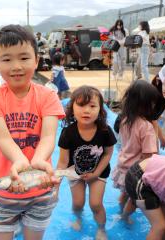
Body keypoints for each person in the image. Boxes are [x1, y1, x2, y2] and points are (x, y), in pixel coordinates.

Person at [0, 25, 65, 240]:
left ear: (36, 60)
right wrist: (21, 162)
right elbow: (3, 138)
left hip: (41, 190)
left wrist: (37, 161)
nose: (16, 66)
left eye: (24, 58)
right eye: (7, 59)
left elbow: (48, 136)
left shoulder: (48, 97)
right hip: (5, 193)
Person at [57, 86, 116, 239]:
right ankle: (78, 218)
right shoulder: (68, 133)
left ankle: (101, 228)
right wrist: (55, 186)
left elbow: (108, 153)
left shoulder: (105, 131)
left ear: (101, 110)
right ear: (72, 109)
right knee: (78, 203)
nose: (86, 110)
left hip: (98, 172)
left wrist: (95, 174)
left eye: (92, 106)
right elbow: (63, 162)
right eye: (81, 105)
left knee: (95, 204)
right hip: (74, 173)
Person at [112, 80, 159, 222]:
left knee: (125, 195)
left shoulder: (125, 120)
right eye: (152, 102)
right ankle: (125, 217)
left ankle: (120, 212)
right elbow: (149, 156)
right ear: (146, 104)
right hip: (136, 171)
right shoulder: (146, 127)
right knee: (134, 200)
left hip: (123, 165)